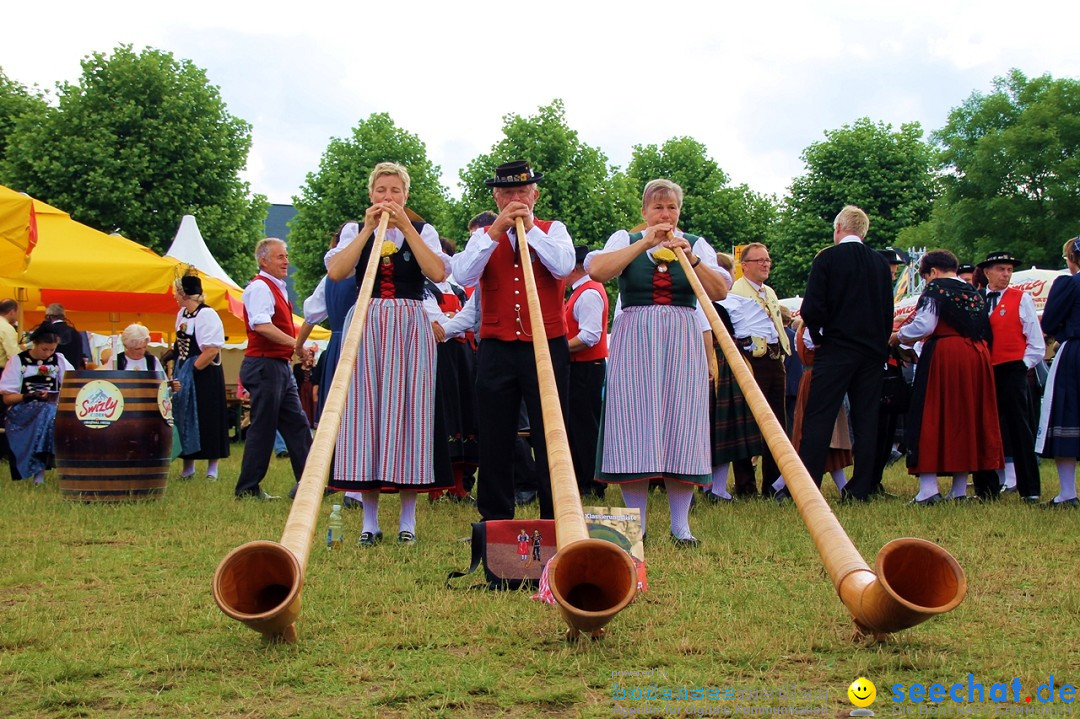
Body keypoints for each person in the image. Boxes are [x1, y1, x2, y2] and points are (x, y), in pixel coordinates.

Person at [586, 178, 728, 546]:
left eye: (672, 208)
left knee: (683, 421)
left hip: (682, 336)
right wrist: (643, 245)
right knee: (635, 423)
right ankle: (637, 527)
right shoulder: (626, 240)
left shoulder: (696, 245)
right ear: (644, 212)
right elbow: (597, 271)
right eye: (658, 208)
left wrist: (691, 257)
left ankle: (681, 526)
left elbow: (720, 291)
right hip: (636, 336)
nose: (665, 215)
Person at [325, 162, 452, 544]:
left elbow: (438, 272)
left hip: (411, 325)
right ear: (370, 195)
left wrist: (407, 227)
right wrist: (367, 229)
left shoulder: (423, 230)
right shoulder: (354, 230)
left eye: (395, 191)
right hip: (367, 321)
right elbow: (338, 272)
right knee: (366, 413)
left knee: (410, 413)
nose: (388, 198)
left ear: (406, 196)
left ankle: (408, 521)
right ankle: (369, 521)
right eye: (381, 190)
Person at [451, 160, 575, 522]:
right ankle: (496, 522)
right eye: (507, 193)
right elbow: (462, 274)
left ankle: (558, 519)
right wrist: (494, 233)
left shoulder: (554, 230)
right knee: (494, 435)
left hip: (546, 344)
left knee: (551, 433)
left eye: (523, 192)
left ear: (535, 195)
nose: (516, 199)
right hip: (497, 345)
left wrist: (532, 229)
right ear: (496, 196)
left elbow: (563, 267)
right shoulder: (484, 235)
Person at [796, 206, 893, 501]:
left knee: (820, 417)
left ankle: (808, 485)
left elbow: (813, 307)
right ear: (863, 231)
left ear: (838, 228)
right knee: (866, 419)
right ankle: (861, 486)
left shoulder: (827, 258)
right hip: (872, 352)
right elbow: (887, 309)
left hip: (836, 348)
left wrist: (819, 334)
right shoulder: (879, 263)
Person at [890, 250, 1003, 504]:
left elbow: (925, 326)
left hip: (946, 355)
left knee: (931, 414)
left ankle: (929, 489)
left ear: (931, 272)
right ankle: (960, 490)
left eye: (926, 277)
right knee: (965, 417)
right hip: (976, 357)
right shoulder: (974, 292)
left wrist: (899, 336)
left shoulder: (936, 289)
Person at [235, 238, 313, 500]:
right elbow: (261, 325)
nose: (286, 261)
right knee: (264, 427)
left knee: (297, 424)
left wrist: (294, 348)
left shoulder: (275, 287)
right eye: (280, 257)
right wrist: (297, 345)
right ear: (263, 261)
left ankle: (310, 482)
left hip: (275, 364)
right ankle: (247, 488)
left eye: (286, 256)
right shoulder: (259, 288)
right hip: (264, 364)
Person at [973, 251, 1044, 502]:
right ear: (987, 272)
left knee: (1019, 429)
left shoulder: (1020, 298)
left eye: (1009, 270)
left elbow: (1036, 343)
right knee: (984, 428)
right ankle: (986, 488)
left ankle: (1030, 489)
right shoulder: (977, 299)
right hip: (984, 370)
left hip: (1012, 369)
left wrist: (1022, 366)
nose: (1006, 274)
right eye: (1001, 269)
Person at [728, 242, 789, 497]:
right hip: (752, 361)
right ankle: (745, 485)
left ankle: (772, 484)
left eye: (768, 260)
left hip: (775, 359)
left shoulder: (769, 292)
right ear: (745, 266)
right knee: (746, 422)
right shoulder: (736, 292)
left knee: (777, 424)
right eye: (760, 260)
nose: (766, 264)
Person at [702, 253, 764, 503]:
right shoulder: (724, 304)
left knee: (720, 427)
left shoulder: (708, 302)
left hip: (718, 362)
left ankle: (714, 487)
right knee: (721, 427)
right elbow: (745, 338)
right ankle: (713, 487)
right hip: (721, 363)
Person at [1034, 237, 1080, 508]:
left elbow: (1050, 320)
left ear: (1072, 259)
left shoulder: (1069, 283)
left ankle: (1066, 493)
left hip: (1075, 352)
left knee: (1067, 412)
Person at [170, 275, 230, 481]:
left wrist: (191, 371)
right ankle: (188, 467)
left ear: (184, 293)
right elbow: (179, 343)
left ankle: (212, 468)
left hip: (205, 374)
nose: (174, 297)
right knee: (185, 415)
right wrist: (173, 358)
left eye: (176, 292)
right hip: (185, 368)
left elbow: (212, 349)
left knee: (208, 417)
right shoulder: (182, 314)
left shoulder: (207, 314)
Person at [1, 326, 75, 484]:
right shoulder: (18, 362)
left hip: (50, 409)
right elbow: (7, 398)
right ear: (35, 344)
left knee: (49, 412)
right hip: (21, 410)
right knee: (48, 412)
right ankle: (40, 472)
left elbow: (72, 384)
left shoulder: (59, 360)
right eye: (44, 349)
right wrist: (28, 396)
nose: (48, 354)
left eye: (52, 350)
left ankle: (44, 470)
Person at [564, 244, 609, 500]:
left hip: (585, 367)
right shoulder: (581, 291)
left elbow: (589, 336)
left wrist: (557, 349)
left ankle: (593, 482)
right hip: (581, 367)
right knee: (578, 425)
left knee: (585, 427)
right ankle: (583, 478)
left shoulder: (588, 292)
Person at [0, 299, 23, 479]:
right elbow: (14, 357)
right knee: (3, 414)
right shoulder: (6, 329)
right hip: (2, 372)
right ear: (12, 312)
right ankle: (4, 452)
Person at [42, 304, 85, 370]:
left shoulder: (47, 332)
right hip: (73, 374)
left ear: (49, 317)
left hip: (53, 373)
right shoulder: (76, 333)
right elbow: (79, 356)